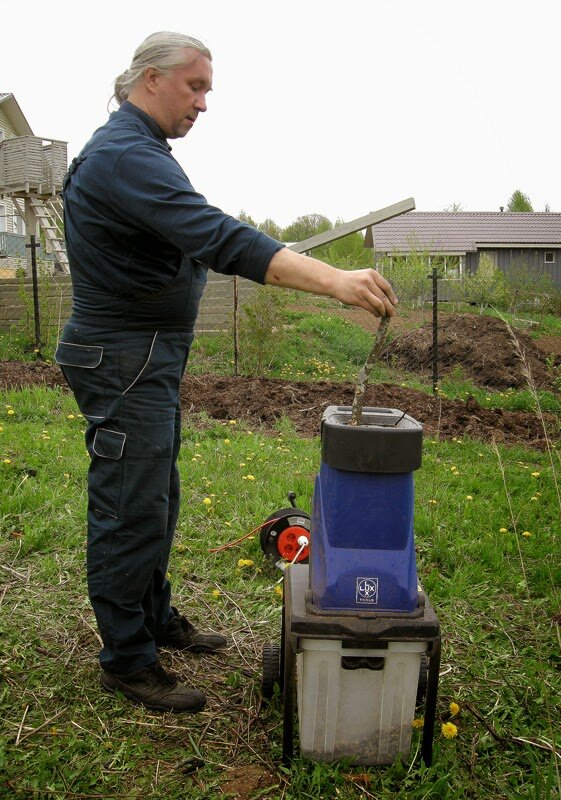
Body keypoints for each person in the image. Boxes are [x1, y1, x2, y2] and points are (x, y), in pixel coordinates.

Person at [56, 31, 397, 714]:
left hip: (141, 353)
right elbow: (219, 236)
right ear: (150, 79)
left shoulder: (141, 152)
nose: (204, 103)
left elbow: (195, 237)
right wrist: (334, 280)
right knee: (130, 505)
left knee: (155, 496)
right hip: (125, 355)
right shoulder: (125, 155)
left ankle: (152, 619)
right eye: (196, 86)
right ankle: (126, 658)